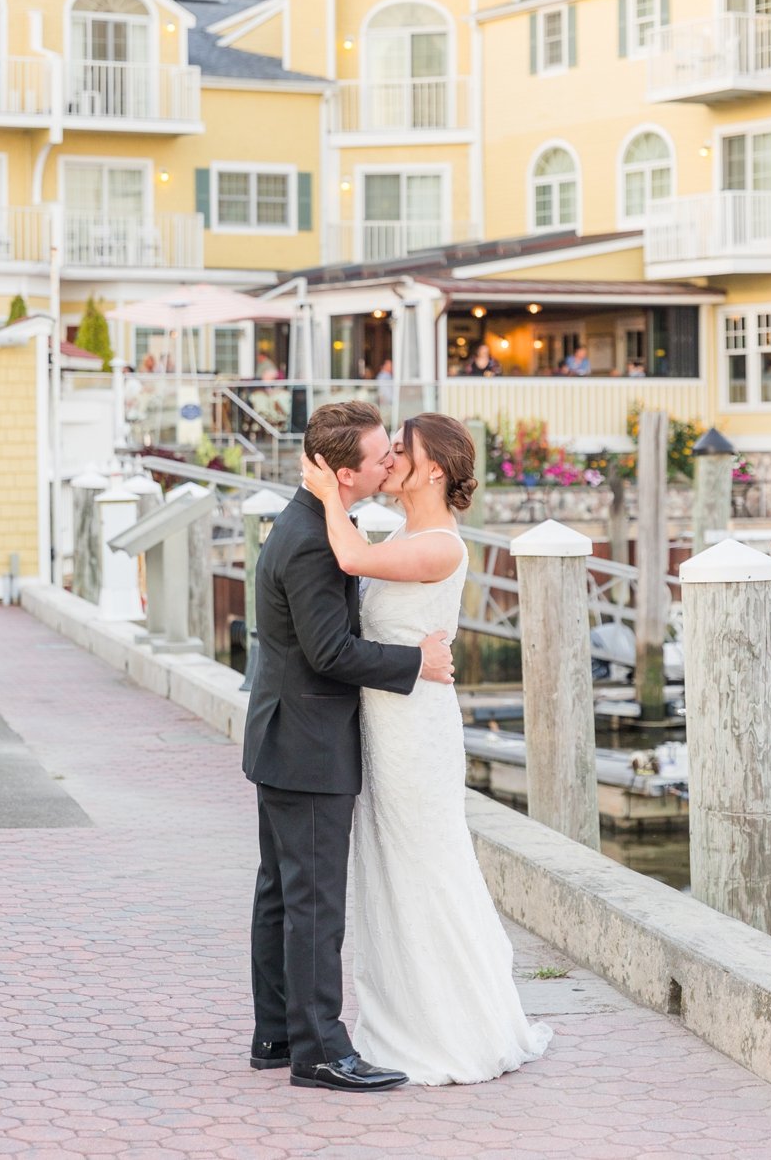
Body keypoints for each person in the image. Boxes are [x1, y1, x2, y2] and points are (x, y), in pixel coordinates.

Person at [301, 413, 552, 1085]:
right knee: (388, 869)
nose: (387, 464)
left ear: (432, 469)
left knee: (424, 866)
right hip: (383, 725)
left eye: (399, 453)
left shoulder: (440, 544)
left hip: (415, 733)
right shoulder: (398, 531)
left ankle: (448, 1029)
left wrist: (328, 492)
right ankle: (403, 1016)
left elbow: (349, 559)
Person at [243, 401, 455, 1094]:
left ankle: (277, 1034)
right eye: (378, 457)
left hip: (289, 736)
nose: (388, 463)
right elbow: (329, 650)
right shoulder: (309, 539)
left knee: (282, 894)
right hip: (308, 742)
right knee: (312, 904)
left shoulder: (314, 522)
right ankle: (320, 1052)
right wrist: (412, 665)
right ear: (342, 473)